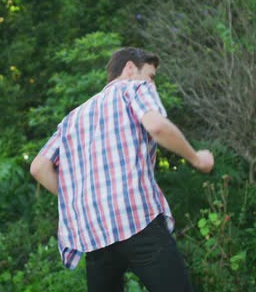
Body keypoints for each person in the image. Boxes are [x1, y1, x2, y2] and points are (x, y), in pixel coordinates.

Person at [30, 47, 214, 291]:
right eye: (151, 76)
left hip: (94, 232)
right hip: (136, 218)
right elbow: (157, 126)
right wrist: (197, 158)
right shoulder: (134, 88)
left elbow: (39, 167)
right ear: (129, 68)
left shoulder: (72, 119)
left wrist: (78, 198)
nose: (152, 84)